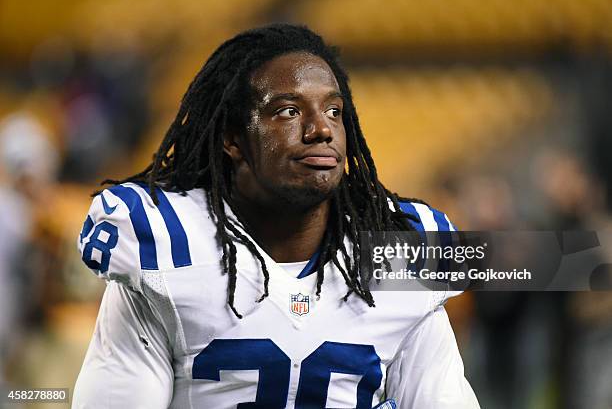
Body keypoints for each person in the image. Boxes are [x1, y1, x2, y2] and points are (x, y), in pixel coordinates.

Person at [73, 24, 479, 409]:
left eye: (334, 111)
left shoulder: (398, 253)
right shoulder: (168, 248)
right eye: (288, 111)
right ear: (233, 139)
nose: (321, 129)